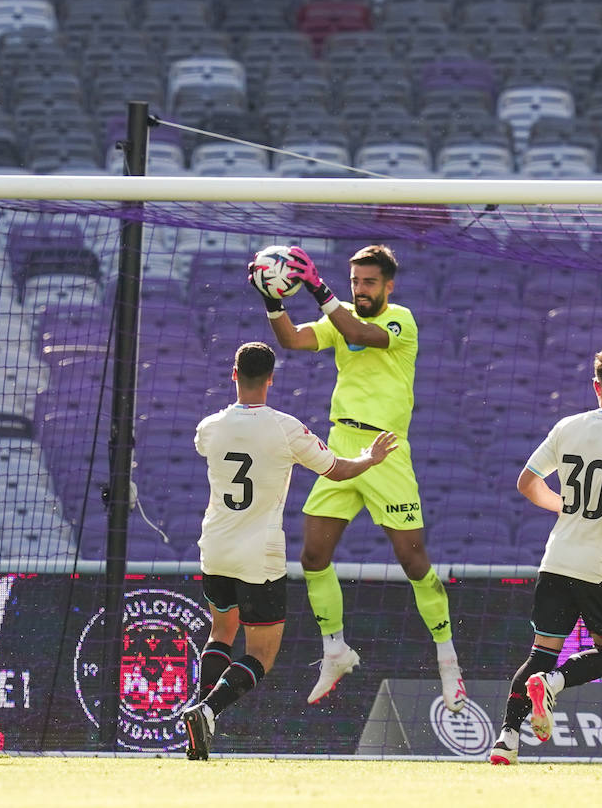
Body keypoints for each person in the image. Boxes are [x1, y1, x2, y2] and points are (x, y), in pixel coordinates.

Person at [252, 244, 465, 709]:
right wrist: (272, 301)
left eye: (368, 282)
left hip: (386, 450)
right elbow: (292, 340)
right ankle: (335, 650)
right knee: (312, 555)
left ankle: (449, 661)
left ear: (389, 285)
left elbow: (360, 334)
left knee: (413, 563)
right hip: (342, 447)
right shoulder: (340, 313)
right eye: (354, 282)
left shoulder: (399, 321)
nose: (360, 290)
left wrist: (317, 287)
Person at [180, 341, 398, 760]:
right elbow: (337, 469)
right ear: (271, 378)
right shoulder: (285, 427)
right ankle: (207, 710)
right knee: (261, 652)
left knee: (221, 632)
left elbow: (208, 448)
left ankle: (200, 716)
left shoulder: (209, 427)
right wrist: (369, 458)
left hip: (215, 548)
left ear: (233, 374)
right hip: (258, 556)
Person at [489, 344, 602, 765]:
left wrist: (563, 505)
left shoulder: (567, 426)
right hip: (599, 565)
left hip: (557, 557)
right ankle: (554, 684)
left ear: (596, 386)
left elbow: (527, 483)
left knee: (540, 650)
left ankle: (506, 739)